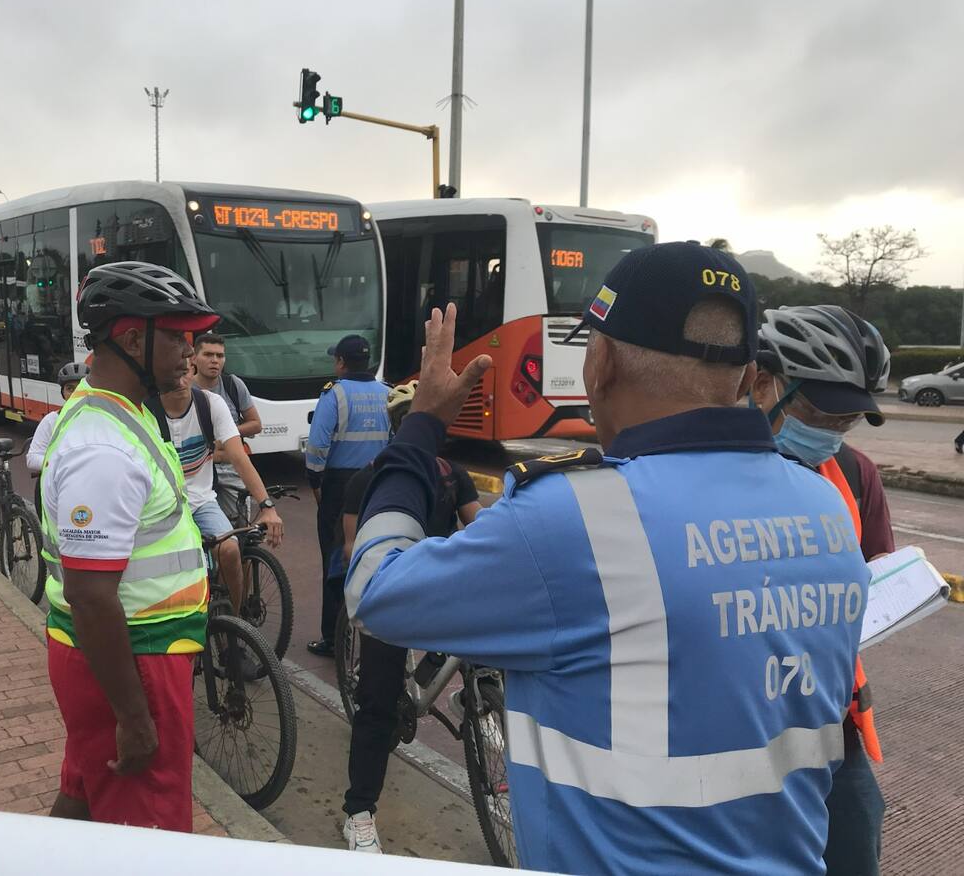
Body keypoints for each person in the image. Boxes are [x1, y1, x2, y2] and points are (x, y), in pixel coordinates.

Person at [345, 243, 873, 875]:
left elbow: (375, 591)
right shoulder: (825, 508)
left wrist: (421, 429)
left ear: (599, 363)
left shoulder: (575, 519)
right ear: (745, 378)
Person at [39, 261, 218, 830]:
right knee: (149, 832)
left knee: (87, 797)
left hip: (121, 650)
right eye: (177, 337)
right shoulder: (104, 452)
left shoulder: (124, 410)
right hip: (132, 656)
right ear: (132, 338)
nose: (189, 353)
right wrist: (134, 716)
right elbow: (91, 596)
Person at [752, 304, 894, 876]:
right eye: (820, 412)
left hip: (833, 725)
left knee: (855, 845)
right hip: (737, 721)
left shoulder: (855, 474)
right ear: (764, 388)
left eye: (848, 420)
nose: (832, 432)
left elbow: (877, 569)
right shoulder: (702, 473)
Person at [340, 381, 480, 854]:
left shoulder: (451, 476)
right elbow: (351, 550)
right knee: (376, 705)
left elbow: (476, 527)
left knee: (485, 638)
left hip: (435, 592)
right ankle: (359, 812)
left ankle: (467, 693)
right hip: (391, 594)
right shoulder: (370, 479)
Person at [158, 361, 283, 611]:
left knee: (229, 550)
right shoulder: (145, 409)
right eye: (174, 375)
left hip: (202, 501)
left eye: (186, 373)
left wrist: (267, 506)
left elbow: (239, 457)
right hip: (160, 506)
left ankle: (233, 625)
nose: (182, 382)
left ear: (193, 372)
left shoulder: (210, 404)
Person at [305, 334, 389, 657]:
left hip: (340, 487)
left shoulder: (334, 395)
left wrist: (316, 484)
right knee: (374, 553)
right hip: (378, 482)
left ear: (341, 362)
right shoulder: (388, 393)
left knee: (336, 558)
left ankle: (334, 638)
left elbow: (316, 448)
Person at [190, 333, 262, 517]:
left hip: (232, 468)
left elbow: (255, 424)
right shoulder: (185, 389)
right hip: (198, 472)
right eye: (208, 355)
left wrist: (227, 433)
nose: (215, 361)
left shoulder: (233, 384)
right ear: (194, 358)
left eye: (220, 356)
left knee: (239, 527)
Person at [27, 362, 89, 518]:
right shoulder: (51, 421)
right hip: (55, 490)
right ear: (63, 393)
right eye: (70, 389)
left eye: (80, 387)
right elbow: (32, 458)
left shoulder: (100, 420)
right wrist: (63, 465)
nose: (75, 393)